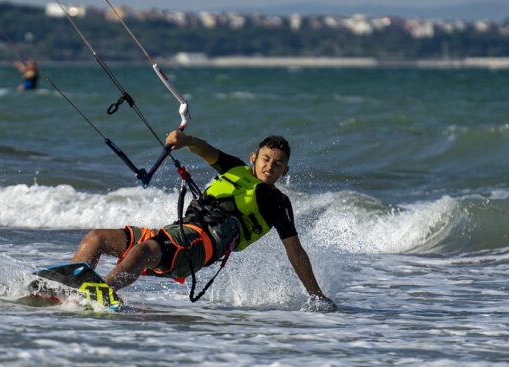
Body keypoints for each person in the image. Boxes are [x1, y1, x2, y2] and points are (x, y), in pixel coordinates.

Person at [71, 130, 336, 310]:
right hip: (180, 231)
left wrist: (316, 295)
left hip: (202, 246)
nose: (270, 167)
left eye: (278, 164)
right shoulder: (235, 168)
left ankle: (99, 294)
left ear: (285, 171)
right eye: (266, 159)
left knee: (142, 252)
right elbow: (205, 149)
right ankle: (68, 288)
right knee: (98, 238)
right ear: (254, 158)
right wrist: (184, 139)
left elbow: (295, 252)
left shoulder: (277, 201)